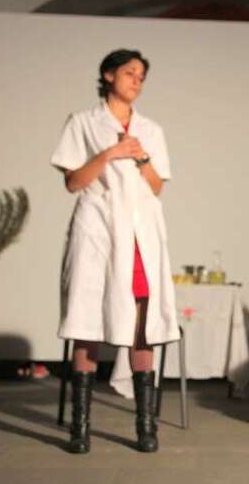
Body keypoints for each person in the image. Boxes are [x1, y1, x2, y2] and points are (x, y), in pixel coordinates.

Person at [50, 49, 179, 454]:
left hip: (140, 235)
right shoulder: (82, 122)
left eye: (141, 76)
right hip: (98, 230)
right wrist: (109, 153)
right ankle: (80, 429)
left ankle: (145, 428)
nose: (136, 81)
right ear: (108, 75)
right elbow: (73, 182)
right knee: (87, 323)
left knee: (142, 326)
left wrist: (141, 157)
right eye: (129, 73)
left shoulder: (151, 129)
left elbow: (156, 186)